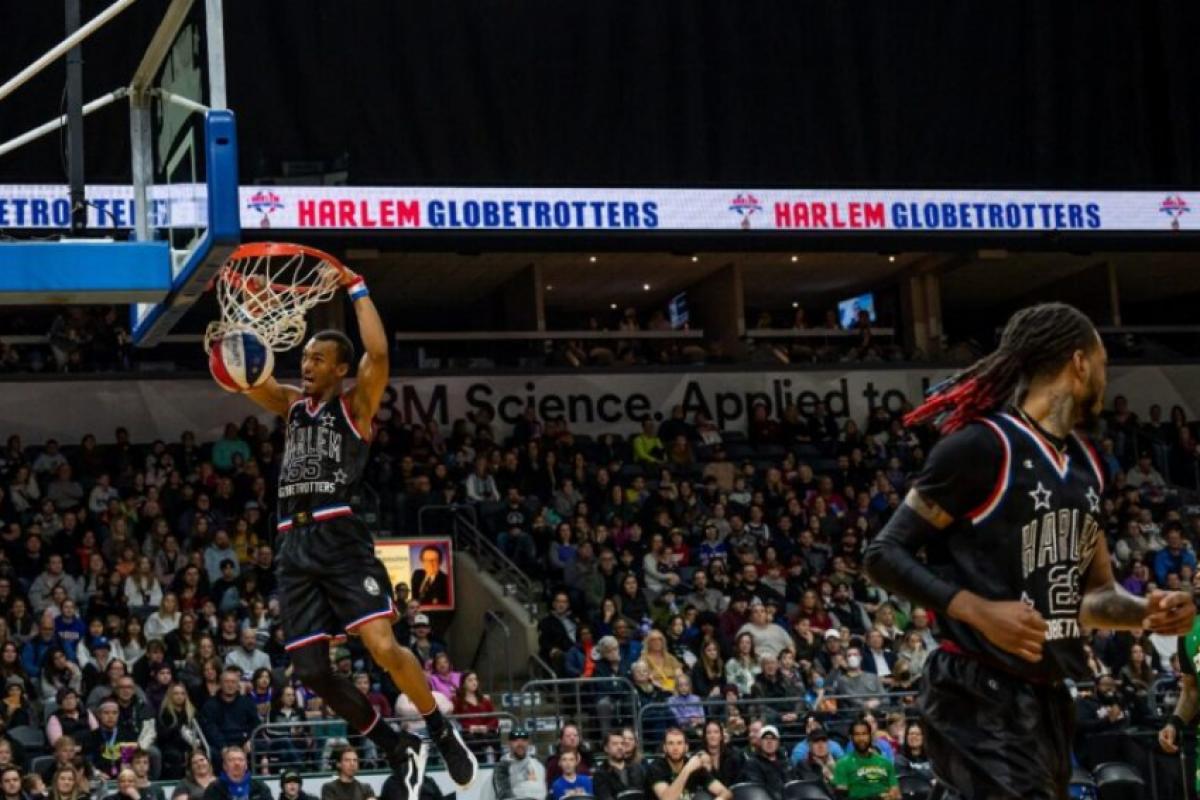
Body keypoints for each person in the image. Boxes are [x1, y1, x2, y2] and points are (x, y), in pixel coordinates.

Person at [864, 303, 1196, 800]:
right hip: (975, 685)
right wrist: (977, 610)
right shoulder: (981, 447)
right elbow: (883, 553)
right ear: (1080, 363)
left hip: (1047, 691)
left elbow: (1095, 596)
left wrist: (1147, 613)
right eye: (1103, 364)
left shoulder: (1088, 465)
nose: (1106, 378)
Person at [238, 280, 476, 796]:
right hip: (291, 545)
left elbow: (379, 351)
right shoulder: (293, 405)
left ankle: (438, 726)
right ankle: (395, 745)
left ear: (340, 369)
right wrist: (233, 354)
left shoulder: (355, 405)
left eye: (318, 358)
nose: (307, 365)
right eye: (304, 357)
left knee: (382, 645)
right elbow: (253, 383)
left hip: (339, 534)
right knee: (310, 671)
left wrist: (357, 287)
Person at [645, 728, 732, 800]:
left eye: (679, 743)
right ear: (665, 748)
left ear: (686, 748)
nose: (675, 748)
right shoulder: (655, 768)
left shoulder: (694, 765)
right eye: (670, 743)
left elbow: (726, 793)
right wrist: (687, 769)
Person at [833, 721, 899, 800]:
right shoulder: (843, 764)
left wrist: (891, 796)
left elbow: (896, 792)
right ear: (851, 737)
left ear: (870, 736)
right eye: (857, 734)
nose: (861, 738)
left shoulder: (886, 763)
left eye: (864, 734)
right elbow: (841, 797)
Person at [199, 667, 259, 752]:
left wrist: (249, 740)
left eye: (233, 682)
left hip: (244, 742)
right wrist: (223, 746)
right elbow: (210, 729)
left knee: (262, 747)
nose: (230, 685)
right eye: (226, 682)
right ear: (220, 684)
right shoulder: (209, 705)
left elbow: (255, 724)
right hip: (220, 744)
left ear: (238, 685)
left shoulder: (247, 702)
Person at [739, 725, 792, 800]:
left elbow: (793, 786)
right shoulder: (752, 764)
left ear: (778, 743)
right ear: (760, 742)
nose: (769, 742)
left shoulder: (786, 762)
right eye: (765, 738)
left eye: (773, 738)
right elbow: (758, 790)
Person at [201, 746, 271, 800]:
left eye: (240, 760)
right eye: (232, 760)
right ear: (224, 766)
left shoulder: (260, 787)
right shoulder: (214, 789)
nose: (237, 763)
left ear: (246, 765)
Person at [592, 730, 646, 800]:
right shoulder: (600, 774)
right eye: (615, 744)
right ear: (606, 748)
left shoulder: (638, 769)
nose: (620, 747)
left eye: (622, 743)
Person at [493, 728, 545, 800]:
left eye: (524, 740)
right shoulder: (503, 767)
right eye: (516, 740)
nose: (520, 744)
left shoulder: (537, 763)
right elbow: (504, 795)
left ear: (528, 743)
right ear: (509, 743)